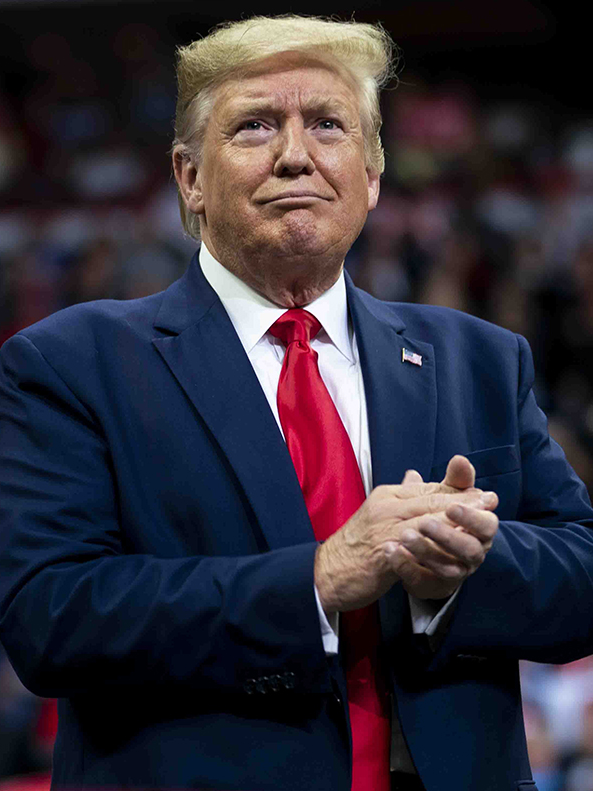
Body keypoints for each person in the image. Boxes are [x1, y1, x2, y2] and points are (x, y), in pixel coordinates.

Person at [0, 14, 592, 791]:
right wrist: (316, 580)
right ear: (189, 177)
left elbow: (581, 573)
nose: (294, 154)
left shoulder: (480, 359)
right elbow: (51, 618)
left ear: (371, 175)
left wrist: (456, 572)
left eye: (326, 124)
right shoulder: (72, 363)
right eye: (254, 125)